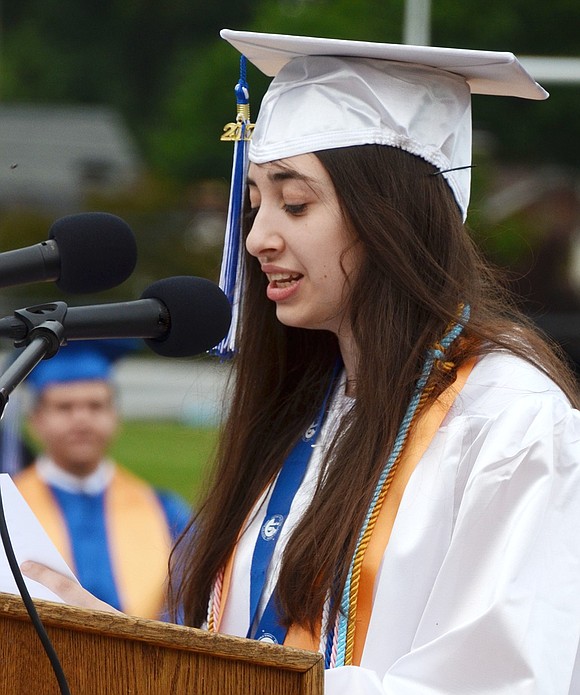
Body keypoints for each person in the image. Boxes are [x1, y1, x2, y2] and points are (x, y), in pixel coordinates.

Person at [22, 30, 580, 693]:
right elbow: (244, 647)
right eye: (256, 202)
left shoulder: (510, 423)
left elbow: (506, 681)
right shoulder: (308, 407)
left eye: (295, 202)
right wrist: (110, 637)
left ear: (391, 216)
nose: (257, 238)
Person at [16, 340, 190, 620]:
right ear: (35, 420)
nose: (82, 419)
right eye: (64, 407)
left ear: (115, 415)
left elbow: (188, 610)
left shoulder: (167, 512)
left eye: (95, 406)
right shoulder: (9, 509)